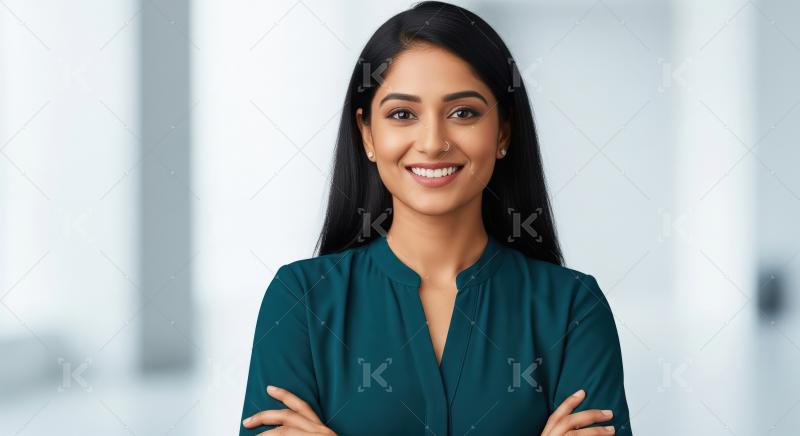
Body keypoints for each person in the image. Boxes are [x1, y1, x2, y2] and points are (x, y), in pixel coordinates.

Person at [240, 1, 632, 434]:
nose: (432, 143)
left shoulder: (573, 307)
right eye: (402, 114)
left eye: (463, 113)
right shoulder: (301, 300)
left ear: (502, 131)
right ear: (367, 134)